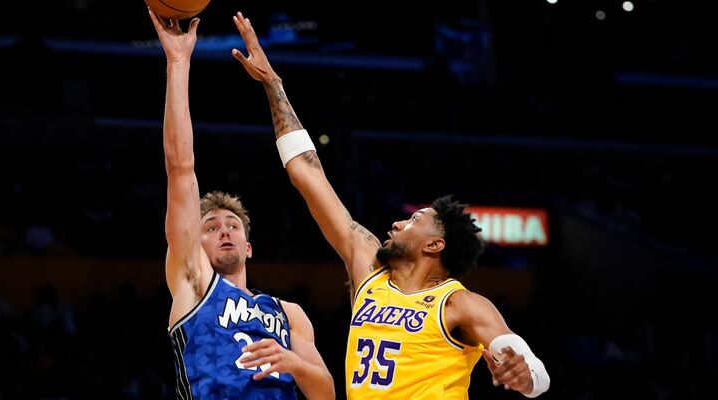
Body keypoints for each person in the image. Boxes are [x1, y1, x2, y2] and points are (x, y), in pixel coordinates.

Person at [230, 11, 550, 399]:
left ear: (435, 245)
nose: (397, 224)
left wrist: (524, 375)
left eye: (415, 220)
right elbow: (307, 174)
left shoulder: (461, 304)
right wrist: (273, 84)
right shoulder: (368, 269)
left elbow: (531, 369)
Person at [147, 10, 334, 400]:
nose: (224, 230)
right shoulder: (194, 282)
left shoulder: (289, 313)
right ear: (194, 244)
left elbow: (326, 393)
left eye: (232, 225)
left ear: (249, 246)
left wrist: (293, 363)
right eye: (211, 227)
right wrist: (178, 63)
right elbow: (181, 169)